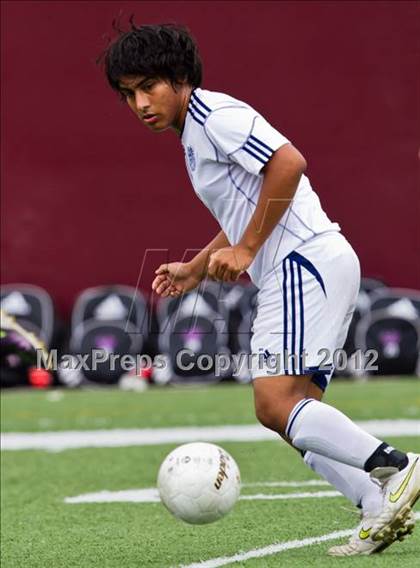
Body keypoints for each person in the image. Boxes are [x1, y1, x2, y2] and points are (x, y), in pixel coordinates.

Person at [101, 21, 419, 555]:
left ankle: (399, 467)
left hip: (302, 262)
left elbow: (288, 164)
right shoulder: (193, 137)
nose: (139, 103)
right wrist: (198, 267)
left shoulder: (214, 116)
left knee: (274, 404)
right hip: (309, 265)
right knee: (296, 411)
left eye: (149, 86)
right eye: (128, 93)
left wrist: (247, 250)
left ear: (180, 78)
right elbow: (245, 205)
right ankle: (376, 504)